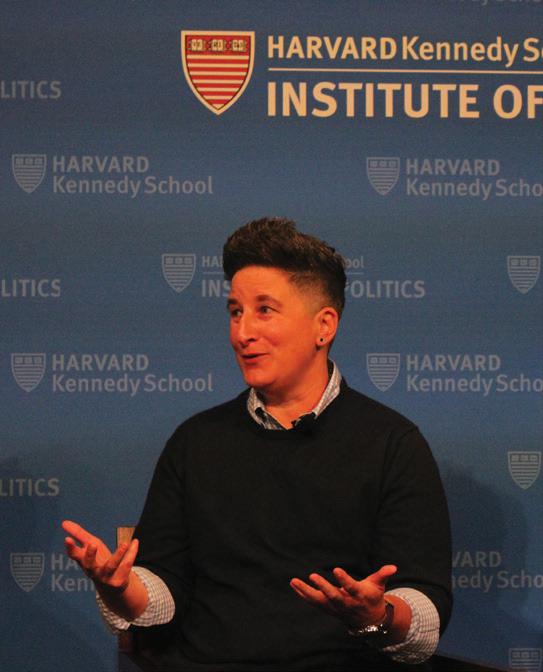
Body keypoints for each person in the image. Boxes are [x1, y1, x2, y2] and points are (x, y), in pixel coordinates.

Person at [62, 218, 452, 671]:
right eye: (235, 312)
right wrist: (119, 589)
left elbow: (424, 610)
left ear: (324, 325)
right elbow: (162, 592)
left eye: (264, 310)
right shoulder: (195, 442)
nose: (242, 333)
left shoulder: (393, 444)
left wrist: (378, 615)